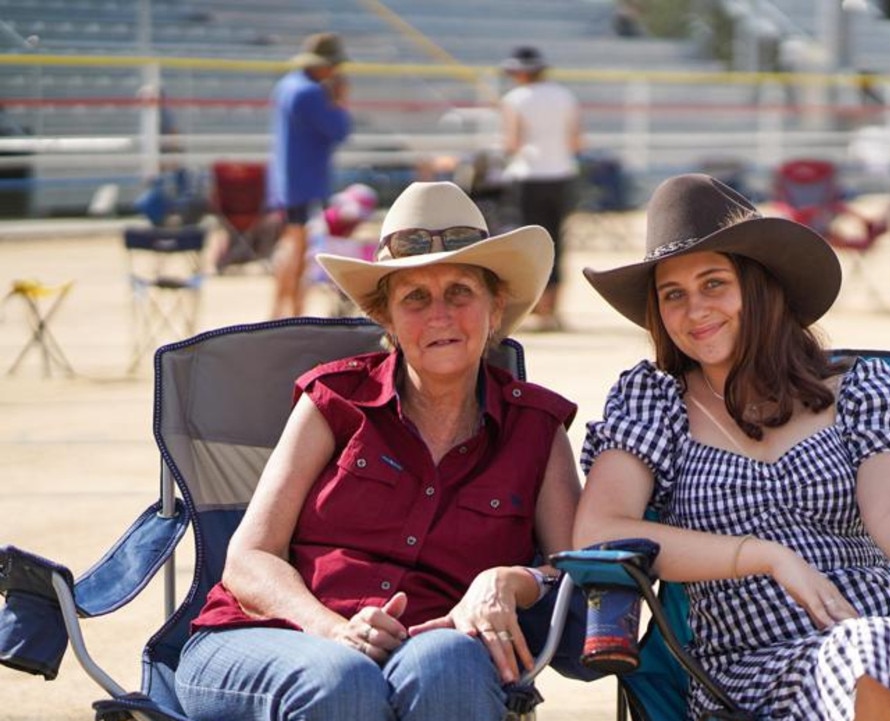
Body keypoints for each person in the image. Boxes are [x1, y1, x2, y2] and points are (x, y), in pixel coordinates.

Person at [573, 173, 890, 720]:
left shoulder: (860, 386)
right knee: (866, 654)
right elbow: (599, 531)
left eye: (714, 284)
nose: (694, 311)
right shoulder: (654, 401)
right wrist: (764, 556)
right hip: (753, 665)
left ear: (760, 287)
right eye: (673, 295)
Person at [174, 181, 582, 720]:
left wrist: (511, 579)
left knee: (451, 663)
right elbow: (249, 559)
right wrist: (332, 629)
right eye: (415, 296)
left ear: (495, 305)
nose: (440, 314)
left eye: (460, 290)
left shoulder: (536, 427)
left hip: (433, 644)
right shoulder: (334, 400)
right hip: (272, 639)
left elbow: (578, 577)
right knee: (344, 679)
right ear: (384, 317)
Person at [267, 32, 353, 319]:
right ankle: (293, 313)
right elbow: (339, 130)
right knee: (299, 250)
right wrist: (339, 101)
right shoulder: (311, 92)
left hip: (287, 182)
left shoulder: (287, 86)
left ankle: (280, 310)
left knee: (290, 246)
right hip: (305, 182)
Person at [500, 46, 583, 332]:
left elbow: (512, 142)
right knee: (557, 242)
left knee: (530, 246)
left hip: (528, 176)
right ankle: (554, 308)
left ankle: (533, 307)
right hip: (561, 174)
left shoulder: (515, 99)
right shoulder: (565, 96)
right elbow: (575, 142)